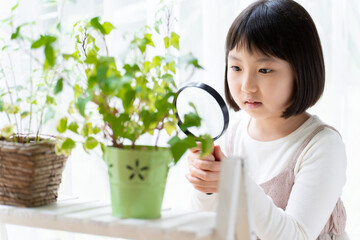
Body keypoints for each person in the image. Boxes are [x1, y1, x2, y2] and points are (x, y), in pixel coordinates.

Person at [185, 0, 348, 239]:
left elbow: (297, 235)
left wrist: (237, 183)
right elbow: (207, 225)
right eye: (236, 67)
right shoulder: (232, 137)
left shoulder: (322, 145)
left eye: (264, 70)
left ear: (300, 71)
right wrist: (207, 186)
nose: (247, 86)